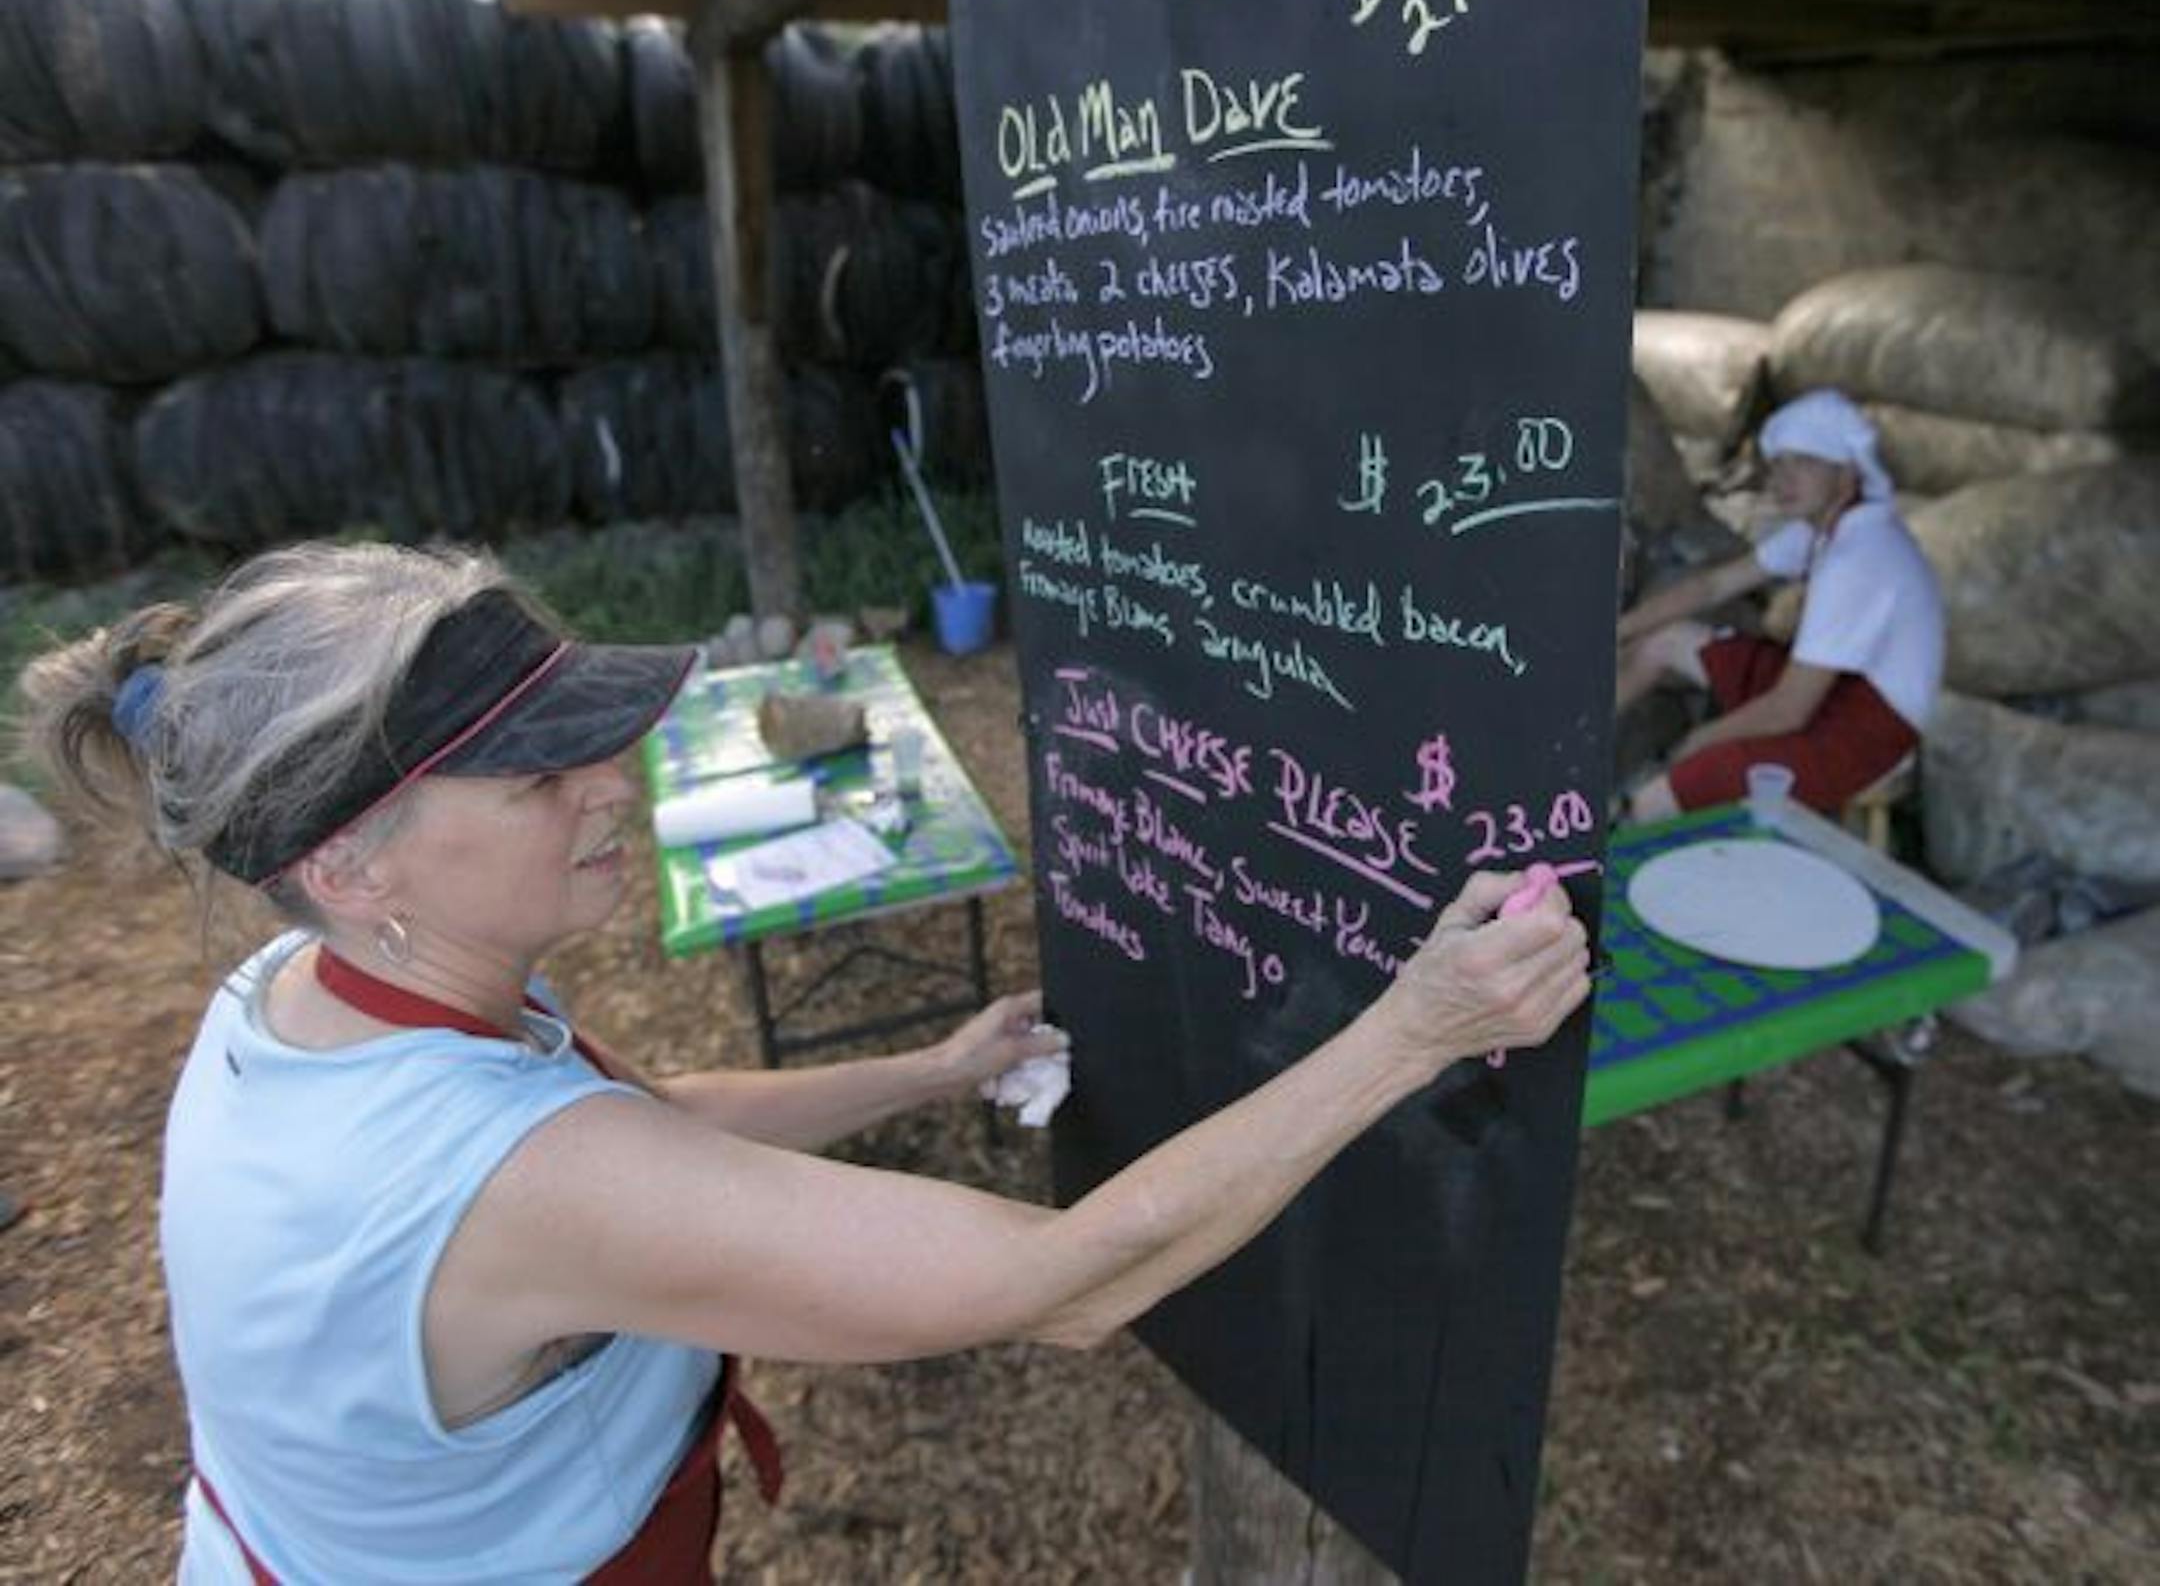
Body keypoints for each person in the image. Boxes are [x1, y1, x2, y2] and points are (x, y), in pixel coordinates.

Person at [20, 541, 1589, 1583]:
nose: (606, 788)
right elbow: (1072, 1280)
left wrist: (922, 1064)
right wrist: (1419, 1026)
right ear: (357, 862)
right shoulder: (506, 1178)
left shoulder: (293, 989)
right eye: (533, 774)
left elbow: (653, 1129)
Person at [1614, 389, 1945, 822]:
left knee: (1662, 792)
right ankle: (1564, 746)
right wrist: (1619, 630)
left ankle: (1611, 863)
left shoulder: (1858, 558)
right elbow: (1713, 585)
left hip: (1868, 731)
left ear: (1846, 475)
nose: (1782, 480)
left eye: (1804, 463)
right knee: (1665, 642)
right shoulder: (1824, 527)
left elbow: (1789, 710)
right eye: (1779, 464)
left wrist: (1698, 743)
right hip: (1830, 691)